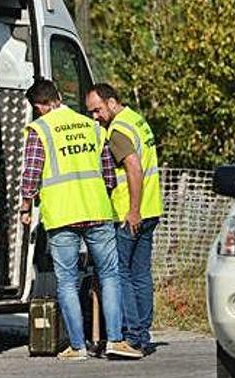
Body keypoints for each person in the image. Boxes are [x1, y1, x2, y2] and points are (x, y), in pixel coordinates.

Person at [20, 79, 142, 361]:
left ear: (38, 107)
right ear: (59, 97)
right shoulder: (92, 126)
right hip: (97, 210)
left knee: (67, 281)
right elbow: (109, 173)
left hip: (62, 215)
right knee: (110, 275)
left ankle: (77, 347)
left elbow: (31, 174)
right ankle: (115, 340)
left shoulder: (40, 130)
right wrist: (102, 195)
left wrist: (25, 206)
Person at [85, 83, 163, 354]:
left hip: (129, 213)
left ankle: (131, 337)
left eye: (97, 110)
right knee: (141, 274)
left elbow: (133, 168)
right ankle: (142, 334)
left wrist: (132, 210)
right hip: (151, 208)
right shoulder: (137, 121)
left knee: (121, 274)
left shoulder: (118, 130)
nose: (95, 117)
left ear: (112, 102)